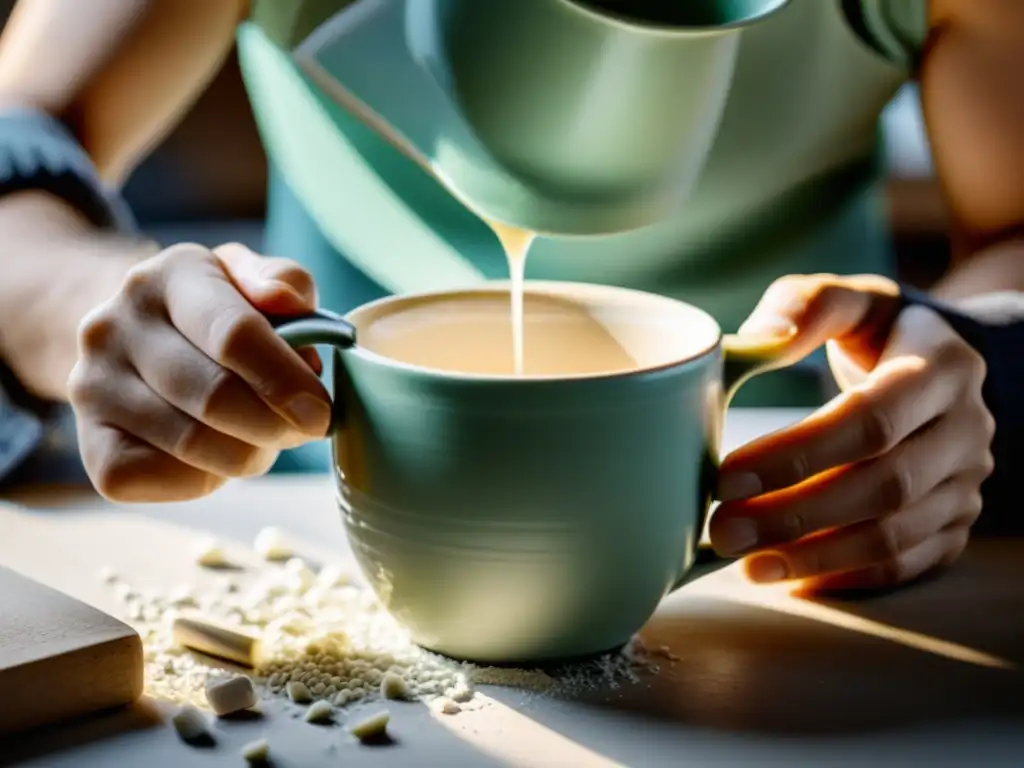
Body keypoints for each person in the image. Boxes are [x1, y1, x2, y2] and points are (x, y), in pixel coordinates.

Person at [0, 0, 1020, 593]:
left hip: (817, 540)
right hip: (306, 515)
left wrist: (961, 368)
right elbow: (22, 131)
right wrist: (90, 304)